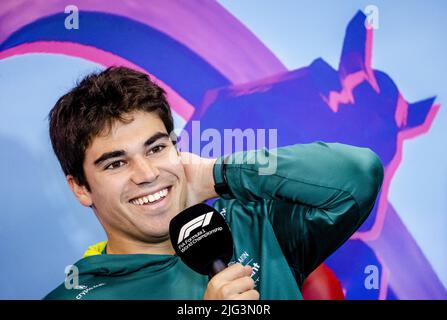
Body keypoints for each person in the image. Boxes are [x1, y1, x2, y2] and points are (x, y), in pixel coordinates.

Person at [44, 67, 383, 300]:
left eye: (157, 148)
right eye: (117, 163)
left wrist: (218, 176)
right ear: (80, 188)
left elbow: (358, 173)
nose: (146, 174)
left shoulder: (252, 225)